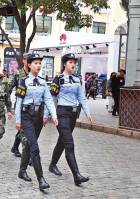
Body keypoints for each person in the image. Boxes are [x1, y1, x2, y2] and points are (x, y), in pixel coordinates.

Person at [15, 53, 58, 191]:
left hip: (38, 118)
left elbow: (49, 100)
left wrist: (53, 115)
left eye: (40, 63)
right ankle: (41, 179)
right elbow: (19, 102)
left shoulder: (43, 82)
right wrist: (18, 120)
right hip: (26, 116)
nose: (38, 65)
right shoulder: (24, 81)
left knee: (28, 145)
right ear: (28, 65)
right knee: (34, 147)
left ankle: (22, 171)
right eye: (35, 63)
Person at [49, 53, 93, 186]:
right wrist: (50, 116)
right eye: (70, 62)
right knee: (69, 143)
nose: (73, 64)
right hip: (62, 113)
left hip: (73, 115)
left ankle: (52, 165)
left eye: (74, 62)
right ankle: (76, 175)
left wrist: (88, 113)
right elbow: (52, 99)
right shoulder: (58, 79)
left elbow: (82, 98)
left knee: (62, 142)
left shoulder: (77, 80)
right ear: (64, 64)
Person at [9, 52, 32, 158]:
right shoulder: (18, 74)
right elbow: (8, 88)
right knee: (24, 131)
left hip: (31, 108)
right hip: (20, 106)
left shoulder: (34, 75)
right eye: (28, 60)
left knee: (23, 129)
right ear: (23, 61)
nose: (29, 62)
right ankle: (30, 155)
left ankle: (14, 147)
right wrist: (6, 104)